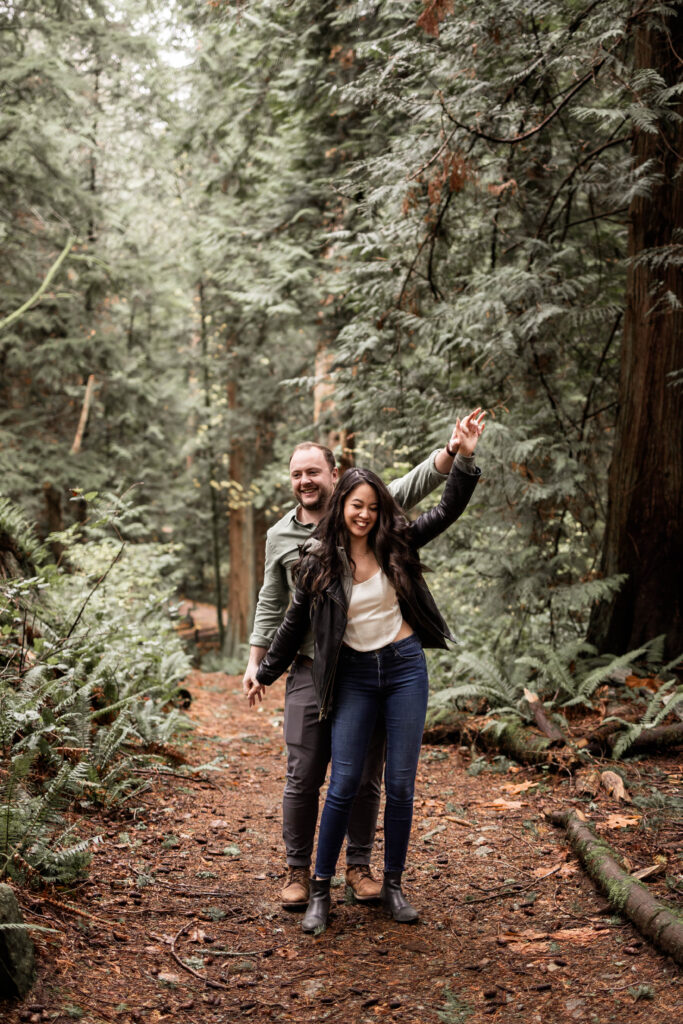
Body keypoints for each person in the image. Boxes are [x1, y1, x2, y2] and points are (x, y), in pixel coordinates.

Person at [254, 409, 484, 933]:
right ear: (344, 508)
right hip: (354, 675)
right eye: (356, 507)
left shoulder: (396, 542)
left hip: (403, 669)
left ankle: (394, 885)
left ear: (380, 510)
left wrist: (463, 456)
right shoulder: (317, 561)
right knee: (343, 783)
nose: (363, 515)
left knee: (399, 784)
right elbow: (290, 622)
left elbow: (445, 508)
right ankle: (319, 890)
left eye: (371, 507)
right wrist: (263, 672)